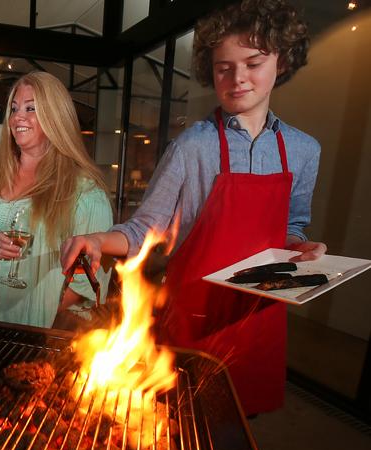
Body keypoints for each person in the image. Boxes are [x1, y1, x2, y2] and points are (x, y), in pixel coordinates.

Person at [60, 0, 326, 416]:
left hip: (258, 314)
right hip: (194, 313)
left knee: (239, 421)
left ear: (282, 60)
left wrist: (302, 248)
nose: (237, 78)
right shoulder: (192, 146)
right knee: (180, 422)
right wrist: (96, 238)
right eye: (224, 67)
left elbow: (292, 226)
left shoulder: (304, 150)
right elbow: (144, 230)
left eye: (253, 63)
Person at [0, 71, 113, 328]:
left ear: (55, 117)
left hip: (37, 322)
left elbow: (92, 270)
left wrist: (41, 310)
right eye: (14, 108)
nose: (17, 117)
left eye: (30, 108)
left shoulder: (83, 190)